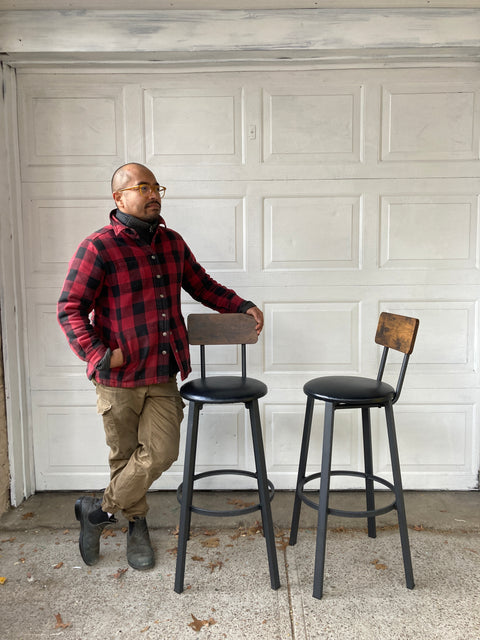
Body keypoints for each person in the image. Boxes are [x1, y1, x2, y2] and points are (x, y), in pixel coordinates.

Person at [57, 162, 264, 571]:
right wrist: (100, 355)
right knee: (123, 455)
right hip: (117, 379)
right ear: (119, 198)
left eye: (157, 187)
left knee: (161, 451)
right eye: (143, 187)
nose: (154, 194)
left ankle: (96, 511)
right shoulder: (99, 246)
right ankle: (136, 525)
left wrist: (241, 305)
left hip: (162, 374)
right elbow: (70, 308)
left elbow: (202, 285)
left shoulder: (171, 242)